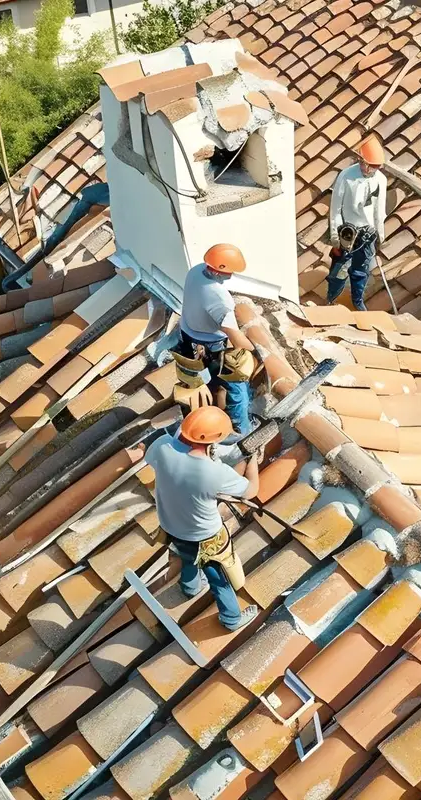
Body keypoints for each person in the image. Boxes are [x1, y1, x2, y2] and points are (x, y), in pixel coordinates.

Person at [145, 406, 260, 631]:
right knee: (218, 575)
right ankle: (231, 619)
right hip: (204, 536)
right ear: (214, 441)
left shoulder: (161, 446)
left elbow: (169, 458)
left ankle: (190, 588)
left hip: (171, 525)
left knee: (186, 555)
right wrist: (253, 460)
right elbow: (251, 491)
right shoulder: (215, 473)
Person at [178, 243, 256, 434]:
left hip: (188, 333)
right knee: (237, 386)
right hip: (211, 344)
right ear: (220, 270)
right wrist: (257, 350)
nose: (232, 275)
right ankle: (242, 429)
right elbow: (238, 341)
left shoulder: (196, 271)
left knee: (207, 377)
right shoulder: (219, 298)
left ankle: (212, 394)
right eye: (230, 271)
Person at [327, 136, 388, 311]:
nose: (370, 170)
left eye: (375, 167)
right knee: (339, 270)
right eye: (368, 165)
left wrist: (380, 235)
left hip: (368, 232)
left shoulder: (381, 180)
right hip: (347, 231)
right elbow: (336, 208)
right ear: (361, 161)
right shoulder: (346, 176)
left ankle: (357, 301)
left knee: (361, 270)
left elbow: (379, 210)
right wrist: (334, 235)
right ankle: (332, 298)